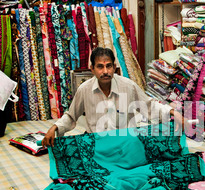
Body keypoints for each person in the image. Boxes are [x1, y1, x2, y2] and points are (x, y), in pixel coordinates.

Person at [42, 47, 185, 147]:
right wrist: (54, 128)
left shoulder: (128, 86)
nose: (105, 71)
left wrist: (173, 112)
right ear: (92, 69)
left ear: (114, 67)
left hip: (125, 144)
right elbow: (71, 116)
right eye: (100, 67)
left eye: (108, 66)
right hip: (97, 144)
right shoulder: (84, 90)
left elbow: (149, 106)